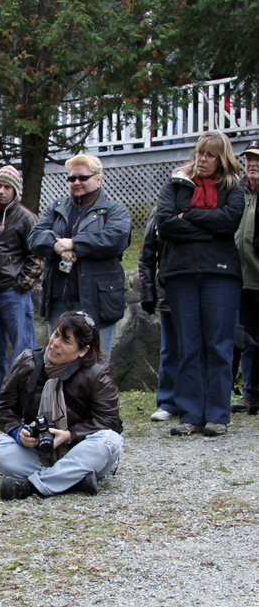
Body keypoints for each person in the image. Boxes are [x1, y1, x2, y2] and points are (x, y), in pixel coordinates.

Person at [155, 131, 244, 437]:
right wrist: (209, 226)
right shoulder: (176, 183)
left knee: (218, 345)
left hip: (221, 274)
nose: (202, 160)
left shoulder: (233, 186)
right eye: (200, 153)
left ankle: (218, 415)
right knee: (188, 345)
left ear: (222, 159)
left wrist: (189, 215)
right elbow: (165, 223)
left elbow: (230, 221)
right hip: (181, 272)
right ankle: (191, 414)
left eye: (210, 155)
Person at [0, 311, 123, 499]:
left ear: (83, 350)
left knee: (110, 441)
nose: (55, 343)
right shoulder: (27, 361)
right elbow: (3, 407)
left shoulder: (97, 374)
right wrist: (17, 431)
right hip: (39, 451)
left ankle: (32, 485)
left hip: (79, 450)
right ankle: (74, 480)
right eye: (56, 334)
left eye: (66, 341)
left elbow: (108, 421)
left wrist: (70, 435)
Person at [27, 154, 131, 358]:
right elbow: (35, 237)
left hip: (97, 303)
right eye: (72, 178)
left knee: (96, 367)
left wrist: (75, 243)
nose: (76, 182)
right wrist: (57, 245)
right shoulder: (56, 208)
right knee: (56, 363)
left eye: (83, 178)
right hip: (59, 300)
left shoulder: (115, 210)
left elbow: (115, 239)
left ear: (99, 178)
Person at [0, 165, 44, 419]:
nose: (0, 192)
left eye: (6, 187)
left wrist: (22, 284)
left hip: (13, 293)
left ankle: (24, 401)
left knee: (24, 349)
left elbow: (38, 255)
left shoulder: (26, 217)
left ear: (15, 191)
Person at [138, 206, 178, 422]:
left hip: (200, 288)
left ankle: (200, 401)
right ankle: (168, 402)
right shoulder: (160, 211)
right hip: (168, 291)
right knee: (170, 349)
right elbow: (146, 256)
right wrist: (148, 293)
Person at [233, 139, 259, 415]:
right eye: (249, 159)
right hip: (240, 279)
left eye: (258, 160)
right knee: (248, 340)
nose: (252, 164)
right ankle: (251, 394)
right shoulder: (237, 191)